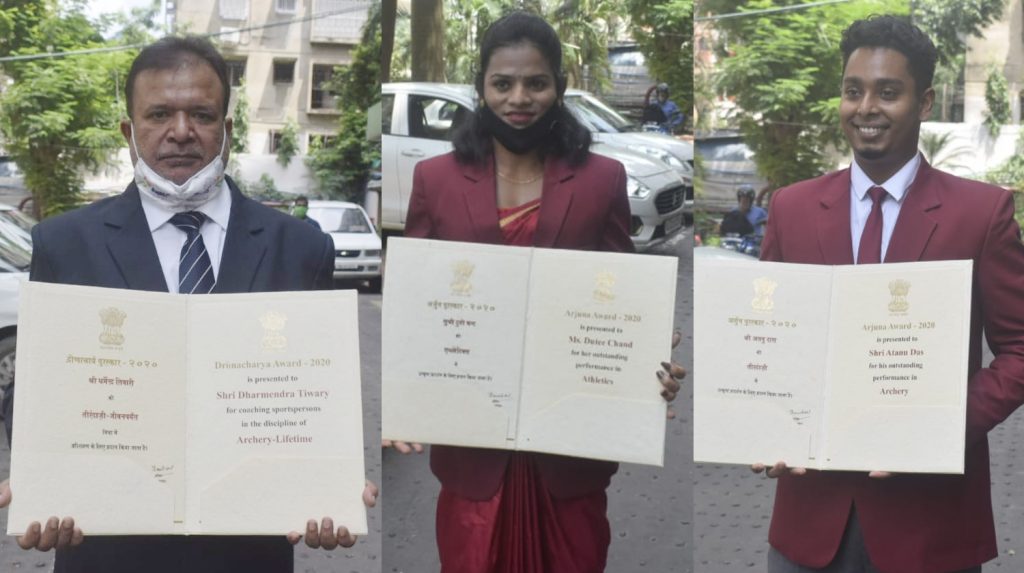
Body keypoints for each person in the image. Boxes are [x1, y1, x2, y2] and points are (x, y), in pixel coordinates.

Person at [0, 36, 376, 573]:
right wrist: (41, 482)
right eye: (159, 114)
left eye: (201, 114)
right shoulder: (65, 243)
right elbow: (37, 388)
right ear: (129, 132)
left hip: (246, 553)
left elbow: (321, 394)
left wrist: (330, 486)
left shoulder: (300, 247)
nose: (180, 131)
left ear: (227, 129)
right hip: (107, 550)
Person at [390, 11, 685, 572]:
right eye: (502, 83)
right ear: (481, 87)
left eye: (536, 83)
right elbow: (415, 307)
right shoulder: (437, 179)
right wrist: (402, 397)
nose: (519, 98)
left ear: (560, 86)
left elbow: (619, 296)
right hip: (473, 445)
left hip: (569, 448)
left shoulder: (601, 180)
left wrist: (645, 363)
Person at [752, 15, 1024, 573]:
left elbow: (1020, 350)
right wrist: (759, 420)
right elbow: (770, 340)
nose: (866, 108)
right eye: (853, 91)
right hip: (810, 519)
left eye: (888, 92)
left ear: (923, 102)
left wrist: (941, 425)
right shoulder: (792, 208)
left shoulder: (981, 214)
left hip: (929, 522)